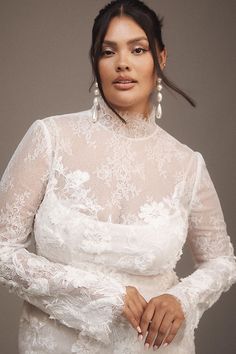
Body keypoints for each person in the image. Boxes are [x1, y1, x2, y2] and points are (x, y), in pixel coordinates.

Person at [0, 0, 235, 353]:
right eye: (108, 51)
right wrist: (101, 295)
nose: (122, 62)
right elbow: (3, 250)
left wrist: (182, 298)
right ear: (96, 62)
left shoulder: (188, 164)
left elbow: (220, 262)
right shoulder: (50, 138)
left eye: (138, 49)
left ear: (161, 57)